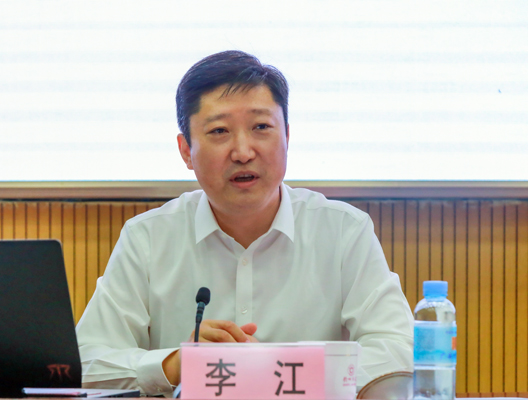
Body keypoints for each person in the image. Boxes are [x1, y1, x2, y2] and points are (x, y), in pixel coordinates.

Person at [76, 50, 414, 396]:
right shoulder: (148, 238)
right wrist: (178, 364)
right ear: (186, 150)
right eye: (219, 131)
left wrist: (274, 371)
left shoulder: (344, 231)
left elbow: (398, 350)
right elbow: (85, 362)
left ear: (287, 136)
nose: (242, 152)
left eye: (261, 127)